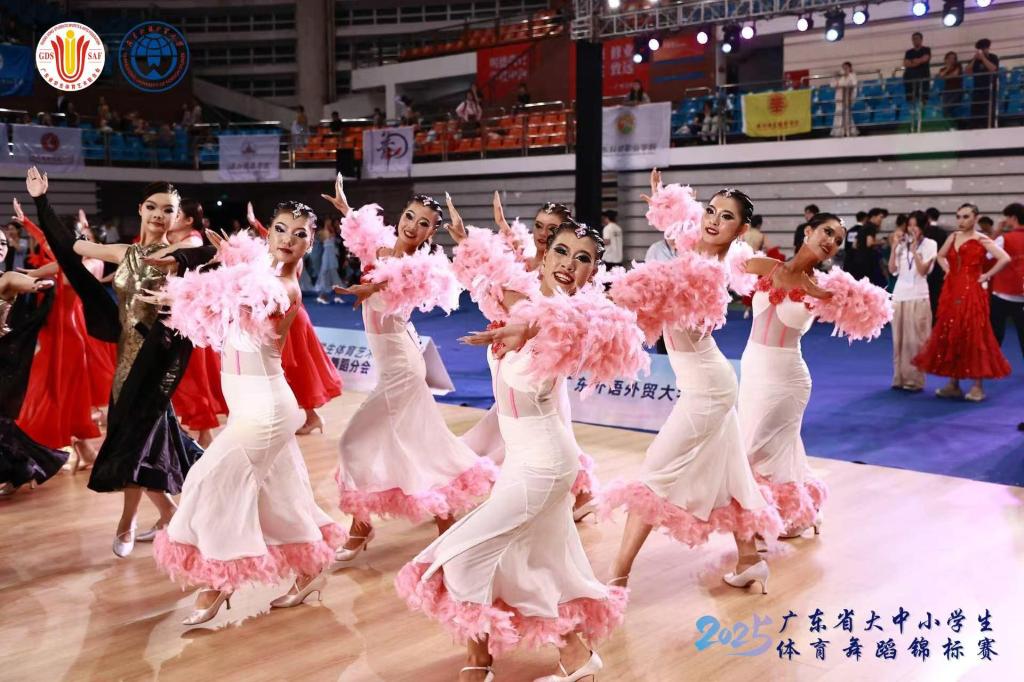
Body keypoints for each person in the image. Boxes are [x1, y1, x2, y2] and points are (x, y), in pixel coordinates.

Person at [398, 210, 646, 682]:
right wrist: (468, 244)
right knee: (529, 561)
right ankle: (546, 657)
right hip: (524, 459)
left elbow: (558, 326)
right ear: (545, 256)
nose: (569, 264)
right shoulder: (528, 302)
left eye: (583, 259)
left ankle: (504, 657)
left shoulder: (580, 319)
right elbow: (500, 285)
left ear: (593, 272)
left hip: (545, 464)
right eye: (561, 252)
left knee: (463, 553)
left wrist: (526, 329)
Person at [151, 203, 346, 625]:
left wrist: (195, 284)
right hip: (246, 402)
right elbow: (226, 301)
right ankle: (311, 570)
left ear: (310, 244)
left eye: (299, 234)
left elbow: (233, 296)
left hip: (266, 408)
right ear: (267, 233)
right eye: (280, 229)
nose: (288, 239)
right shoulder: (256, 274)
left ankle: (219, 578)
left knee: (209, 480)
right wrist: (227, 262)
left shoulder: (283, 289)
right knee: (282, 496)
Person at [603, 178, 783, 595]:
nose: (714, 220)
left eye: (726, 217)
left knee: (655, 471)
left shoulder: (712, 269)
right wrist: (667, 204)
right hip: (707, 379)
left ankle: (617, 575)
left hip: (708, 388)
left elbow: (755, 266)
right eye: (710, 211)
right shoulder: (695, 255)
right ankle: (750, 560)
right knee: (732, 473)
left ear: (742, 230)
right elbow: (683, 234)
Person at [24, 167, 204, 557]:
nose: (159, 215)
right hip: (125, 359)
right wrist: (41, 201)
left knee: (131, 440)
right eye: (152, 207)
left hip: (156, 362)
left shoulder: (179, 256)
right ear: (140, 209)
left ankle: (128, 523)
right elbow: (68, 246)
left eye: (168, 210)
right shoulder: (123, 253)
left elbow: (210, 257)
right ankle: (170, 514)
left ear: (177, 217)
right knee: (137, 439)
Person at [325, 180, 497, 563]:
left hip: (400, 368)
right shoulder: (382, 249)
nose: (412, 226)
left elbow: (394, 281)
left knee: (353, 443)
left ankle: (362, 525)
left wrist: (370, 289)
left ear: (431, 232)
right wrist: (346, 209)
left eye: (423, 223)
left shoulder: (422, 267)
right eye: (409, 216)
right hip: (396, 360)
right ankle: (443, 524)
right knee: (421, 444)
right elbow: (365, 238)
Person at [741, 214, 891, 537]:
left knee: (756, 447)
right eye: (827, 232)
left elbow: (873, 313)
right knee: (769, 444)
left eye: (838, 240)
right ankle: (793, 512)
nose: (831, 242)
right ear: (808, 230)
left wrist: (842, 295)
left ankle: (760, 517)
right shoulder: (767, 266)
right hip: (752, 369)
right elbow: (716, 258)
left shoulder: (825, 287)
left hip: (787, 378)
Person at [460, 194, 601, 519]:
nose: (543, 233)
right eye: (539, 226)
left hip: (537, 370)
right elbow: (496, 280)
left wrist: (527, 328)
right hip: (511, 362)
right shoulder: (522, 263)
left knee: (549, 424)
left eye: (552, 229)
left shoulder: (569, 284)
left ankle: (574, 492)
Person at [914, 203, 1011, 402]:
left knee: (974, 334)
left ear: (976, 218)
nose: (961, 220)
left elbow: (1005, 258)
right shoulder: (953, 236)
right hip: (952, 290)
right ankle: (953, 384)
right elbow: (940, 256)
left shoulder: (981, 239)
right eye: (959, 216)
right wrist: (948, 270)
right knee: (953, 332)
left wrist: (986, 275)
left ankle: (977, 386)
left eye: (966, 216)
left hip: (972, 291)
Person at [0, 270, 66, 497]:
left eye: (3, 249)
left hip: (2, 356)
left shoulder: (6, 278)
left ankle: (25, 467)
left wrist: (39, 283)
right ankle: (24, 468)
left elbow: (34, 284)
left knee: (2, 421)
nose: (1, 251)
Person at [888, 211, 937, 392]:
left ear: (923, 227)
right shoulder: (902, 244)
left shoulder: (930, 244)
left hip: (918, 296)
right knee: (899, 340)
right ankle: (899, 377)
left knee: (917, 341)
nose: (912, 229)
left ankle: (915, 379)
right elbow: (892, 269)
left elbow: (923, 271)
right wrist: (894, 247)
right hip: (899, 296)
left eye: (915, 225)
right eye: (910, 225)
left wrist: (915, 251)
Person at [989, 202, 1024, 363]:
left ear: (1013, 218)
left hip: (1002, 294)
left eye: (1007, 218)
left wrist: (997, 232)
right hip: (1021, 294)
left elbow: (987, 255)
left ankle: (991, 366)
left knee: (996, 334)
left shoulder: (1004, 239)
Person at [969, 39, 999, 129]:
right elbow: (967, 71)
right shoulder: (975, 60)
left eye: (984, 48)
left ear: (988, 48)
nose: (982, 50)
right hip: (977, 90)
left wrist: (983, 58)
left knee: (988, 112)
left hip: (989, 90)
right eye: (980, 49)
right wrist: (974, 59)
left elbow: (993, 69)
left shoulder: (993, 57)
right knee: (976, 113)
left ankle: (989, 127)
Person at [903, 32, 932, 110]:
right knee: (911, 99)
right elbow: (906, 63)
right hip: (910, 79)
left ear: (921, 39)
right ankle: (912, 114)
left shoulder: (926, 49)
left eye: (917, 38)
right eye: (913, 39)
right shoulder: (908, 52)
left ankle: (922, 114)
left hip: (923, 78)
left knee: (923, 99)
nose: (915, 40)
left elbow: (925, 59)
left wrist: (912, 61)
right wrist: (917, 61)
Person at [831, 62, 859, 137]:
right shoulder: (840, 75)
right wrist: (836, 77)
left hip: (847, 96)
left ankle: (849, 131)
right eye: (843, 68)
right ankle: (839, 131)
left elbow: (854, 84)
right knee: (839, 113)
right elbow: (832, 85)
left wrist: (846, 77)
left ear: (850, 68)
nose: (844, 69)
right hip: (839, 97)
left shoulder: (852, 75)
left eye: (846, 68)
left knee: (846, 114)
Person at [938, 51, 963, 125]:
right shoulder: (942, 69)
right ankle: (949, 124)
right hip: (947, 92)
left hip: (957, 91)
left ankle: (951, 124)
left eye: (953, 58)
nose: (951, 60)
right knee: (945, 108)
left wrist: (946, 76)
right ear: (946, 59)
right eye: (949, 58)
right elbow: (941, 75)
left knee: (947, 107)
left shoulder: (958, 66)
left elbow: (955, 74)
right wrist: (948, 68)